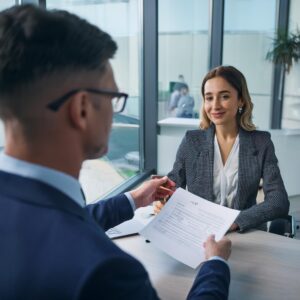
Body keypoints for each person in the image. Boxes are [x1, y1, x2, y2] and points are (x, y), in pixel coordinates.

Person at [0, 5, 232, 300]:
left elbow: (59, 221)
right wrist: (215, 264)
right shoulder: (108, 272)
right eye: (113, 97)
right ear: (82, 109)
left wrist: (134, 199)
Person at [155, 65, 289, 232]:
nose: (215, 105)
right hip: (199, 232)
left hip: (245, 233)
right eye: (209, 98)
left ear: (241, 100)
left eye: (224, 96)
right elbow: (174, 184)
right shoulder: (192, 141)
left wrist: (236, 222)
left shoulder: (261, 142)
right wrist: (164, 198)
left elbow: (279, 201)